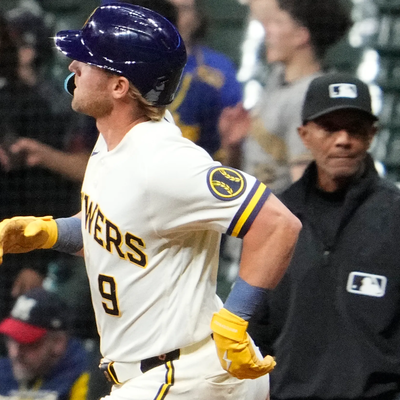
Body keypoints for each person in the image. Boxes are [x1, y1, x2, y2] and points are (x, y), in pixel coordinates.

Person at [0, 3, 301, 400]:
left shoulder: (163, 160)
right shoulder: (115, 139)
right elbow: (115, 229)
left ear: (119, 86)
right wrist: (50, 232)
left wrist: (236, 317)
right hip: (163, 370)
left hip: (185, 373)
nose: (73, 65)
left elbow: (278, 223)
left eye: (87, 60)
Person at [248, 72, 400, 400]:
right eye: (330, 128)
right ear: (304, 135)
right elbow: (254, 329)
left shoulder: (395, 215)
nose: (343, 139)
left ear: (372, 135)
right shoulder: (275, 217)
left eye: (355, 129)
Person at [219, 0, 353, 193]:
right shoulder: (277, 79)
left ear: (301, 36)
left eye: (278, 23)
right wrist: (234, 146)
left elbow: (308, 191)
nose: (268, 30)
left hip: (275, 210)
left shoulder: (310, 97)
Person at [166, 0, 243, 160]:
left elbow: (234, 125)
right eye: (169, 8)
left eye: (184, 9)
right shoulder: (139, 62)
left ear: (197, 16)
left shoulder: (219, 67)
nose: (176, 16)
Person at [0, 287, 90, 398]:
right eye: (12, 340)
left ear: (58, 342)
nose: (15, 353)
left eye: (28, 343)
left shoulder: (85, 377)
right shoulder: (4, 369)